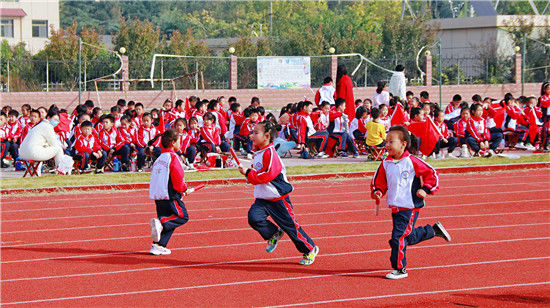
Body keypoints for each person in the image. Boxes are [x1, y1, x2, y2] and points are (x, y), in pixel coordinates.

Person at [371, 125, 451, 279]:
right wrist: (379, 191)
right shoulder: (386, 163)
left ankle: (400, 269)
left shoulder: (412, 161)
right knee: (405, 237)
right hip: (395, 206)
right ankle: (433, 231)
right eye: (386, 142)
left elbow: (431, 174)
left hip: (410, 206)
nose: (387, 145)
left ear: (403, 144)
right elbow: (379, 180)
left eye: (391, 142)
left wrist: (426, 189)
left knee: (399, 238)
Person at [237, 120, 319, 265]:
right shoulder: (258, 153)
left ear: (267, 136)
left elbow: (267, 175)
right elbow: (258, 173)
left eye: (256, 133)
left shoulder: (270, 154)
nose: (252, 136)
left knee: (291, 227)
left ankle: (310, 249)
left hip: (278, 198)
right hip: (263, 198)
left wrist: (249, 174)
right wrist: (249, 175)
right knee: (254, 218)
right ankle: (273, 233)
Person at [148, 129, 190, 255]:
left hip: (159, 196)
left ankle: (158, 245)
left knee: (169, 220)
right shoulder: (173, 157)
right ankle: (161, 223)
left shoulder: (159, 158)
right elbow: (178, 176)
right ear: (172, 143)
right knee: (182, 217)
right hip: (171, 195)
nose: (180, 145)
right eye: (179, 142)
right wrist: (183, 189)